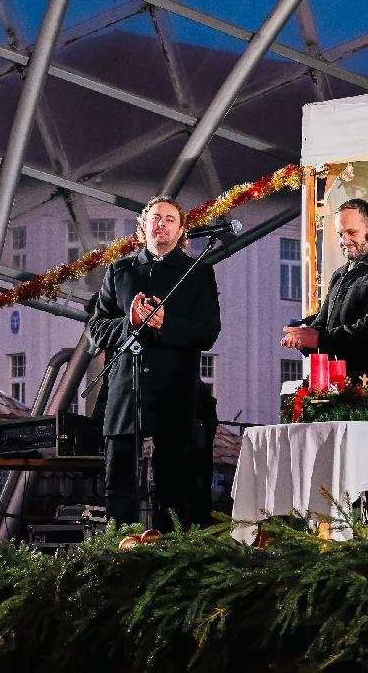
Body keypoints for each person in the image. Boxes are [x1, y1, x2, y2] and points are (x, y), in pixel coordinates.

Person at [89, 196, 221, 530]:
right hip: (124, 390)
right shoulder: (119, 271)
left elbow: (208, 332)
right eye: (155, 217)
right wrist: (128, 324)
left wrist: (166, 324)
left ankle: (171, 556)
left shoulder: (199, 273)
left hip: (174, 392)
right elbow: (96, 330)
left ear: (180, 231)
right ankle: (117, 553)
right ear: (143, 224)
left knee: (174, 487)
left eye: (170, 219)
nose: (161, 224)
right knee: (118, 487)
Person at [281, 199, 368, 382]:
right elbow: (324, 321)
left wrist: (319, 339)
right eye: (340, 234)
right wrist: (301, 334)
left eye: (351, 233)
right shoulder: (340, 274)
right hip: (335, 387)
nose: (344, 241)